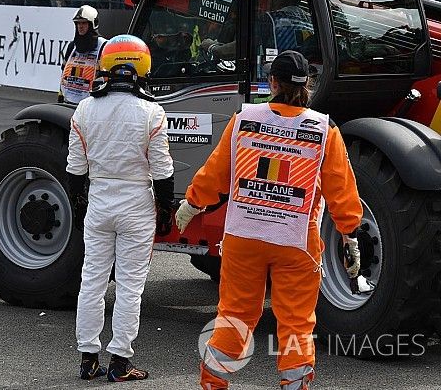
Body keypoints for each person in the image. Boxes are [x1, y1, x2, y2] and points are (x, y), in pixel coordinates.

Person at [175, 51, 363, 390]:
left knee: (234, 317)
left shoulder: (244, 118)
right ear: (307, 85)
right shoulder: (324, 129)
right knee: (295, 323)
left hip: (243, 236)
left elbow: (215, 173)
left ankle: (213, 384)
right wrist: (350, 235)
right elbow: (341, 191)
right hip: (296, 242)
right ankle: (294, 384)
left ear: (272, 82)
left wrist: (191, 204)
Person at [68, 34, 174, 382]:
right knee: (130, 287)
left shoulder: (85, 108)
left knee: (92, 282)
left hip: (99, 201)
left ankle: (87, 358)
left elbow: (75, 169)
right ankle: (119, 362)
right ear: (143, 67)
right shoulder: (152, 111)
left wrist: (80, 204)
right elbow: (163, 172)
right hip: (137, 206)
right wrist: (164, 212)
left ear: (105, 66)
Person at [58, 5, 107, 104]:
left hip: (92, 102)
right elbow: (64, 72)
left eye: (84, 23)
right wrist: (60, 96)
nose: (80, 26)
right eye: (78, 23)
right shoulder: (72, 46)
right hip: (69, 101)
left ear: (93, 23)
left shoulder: (104, 46)